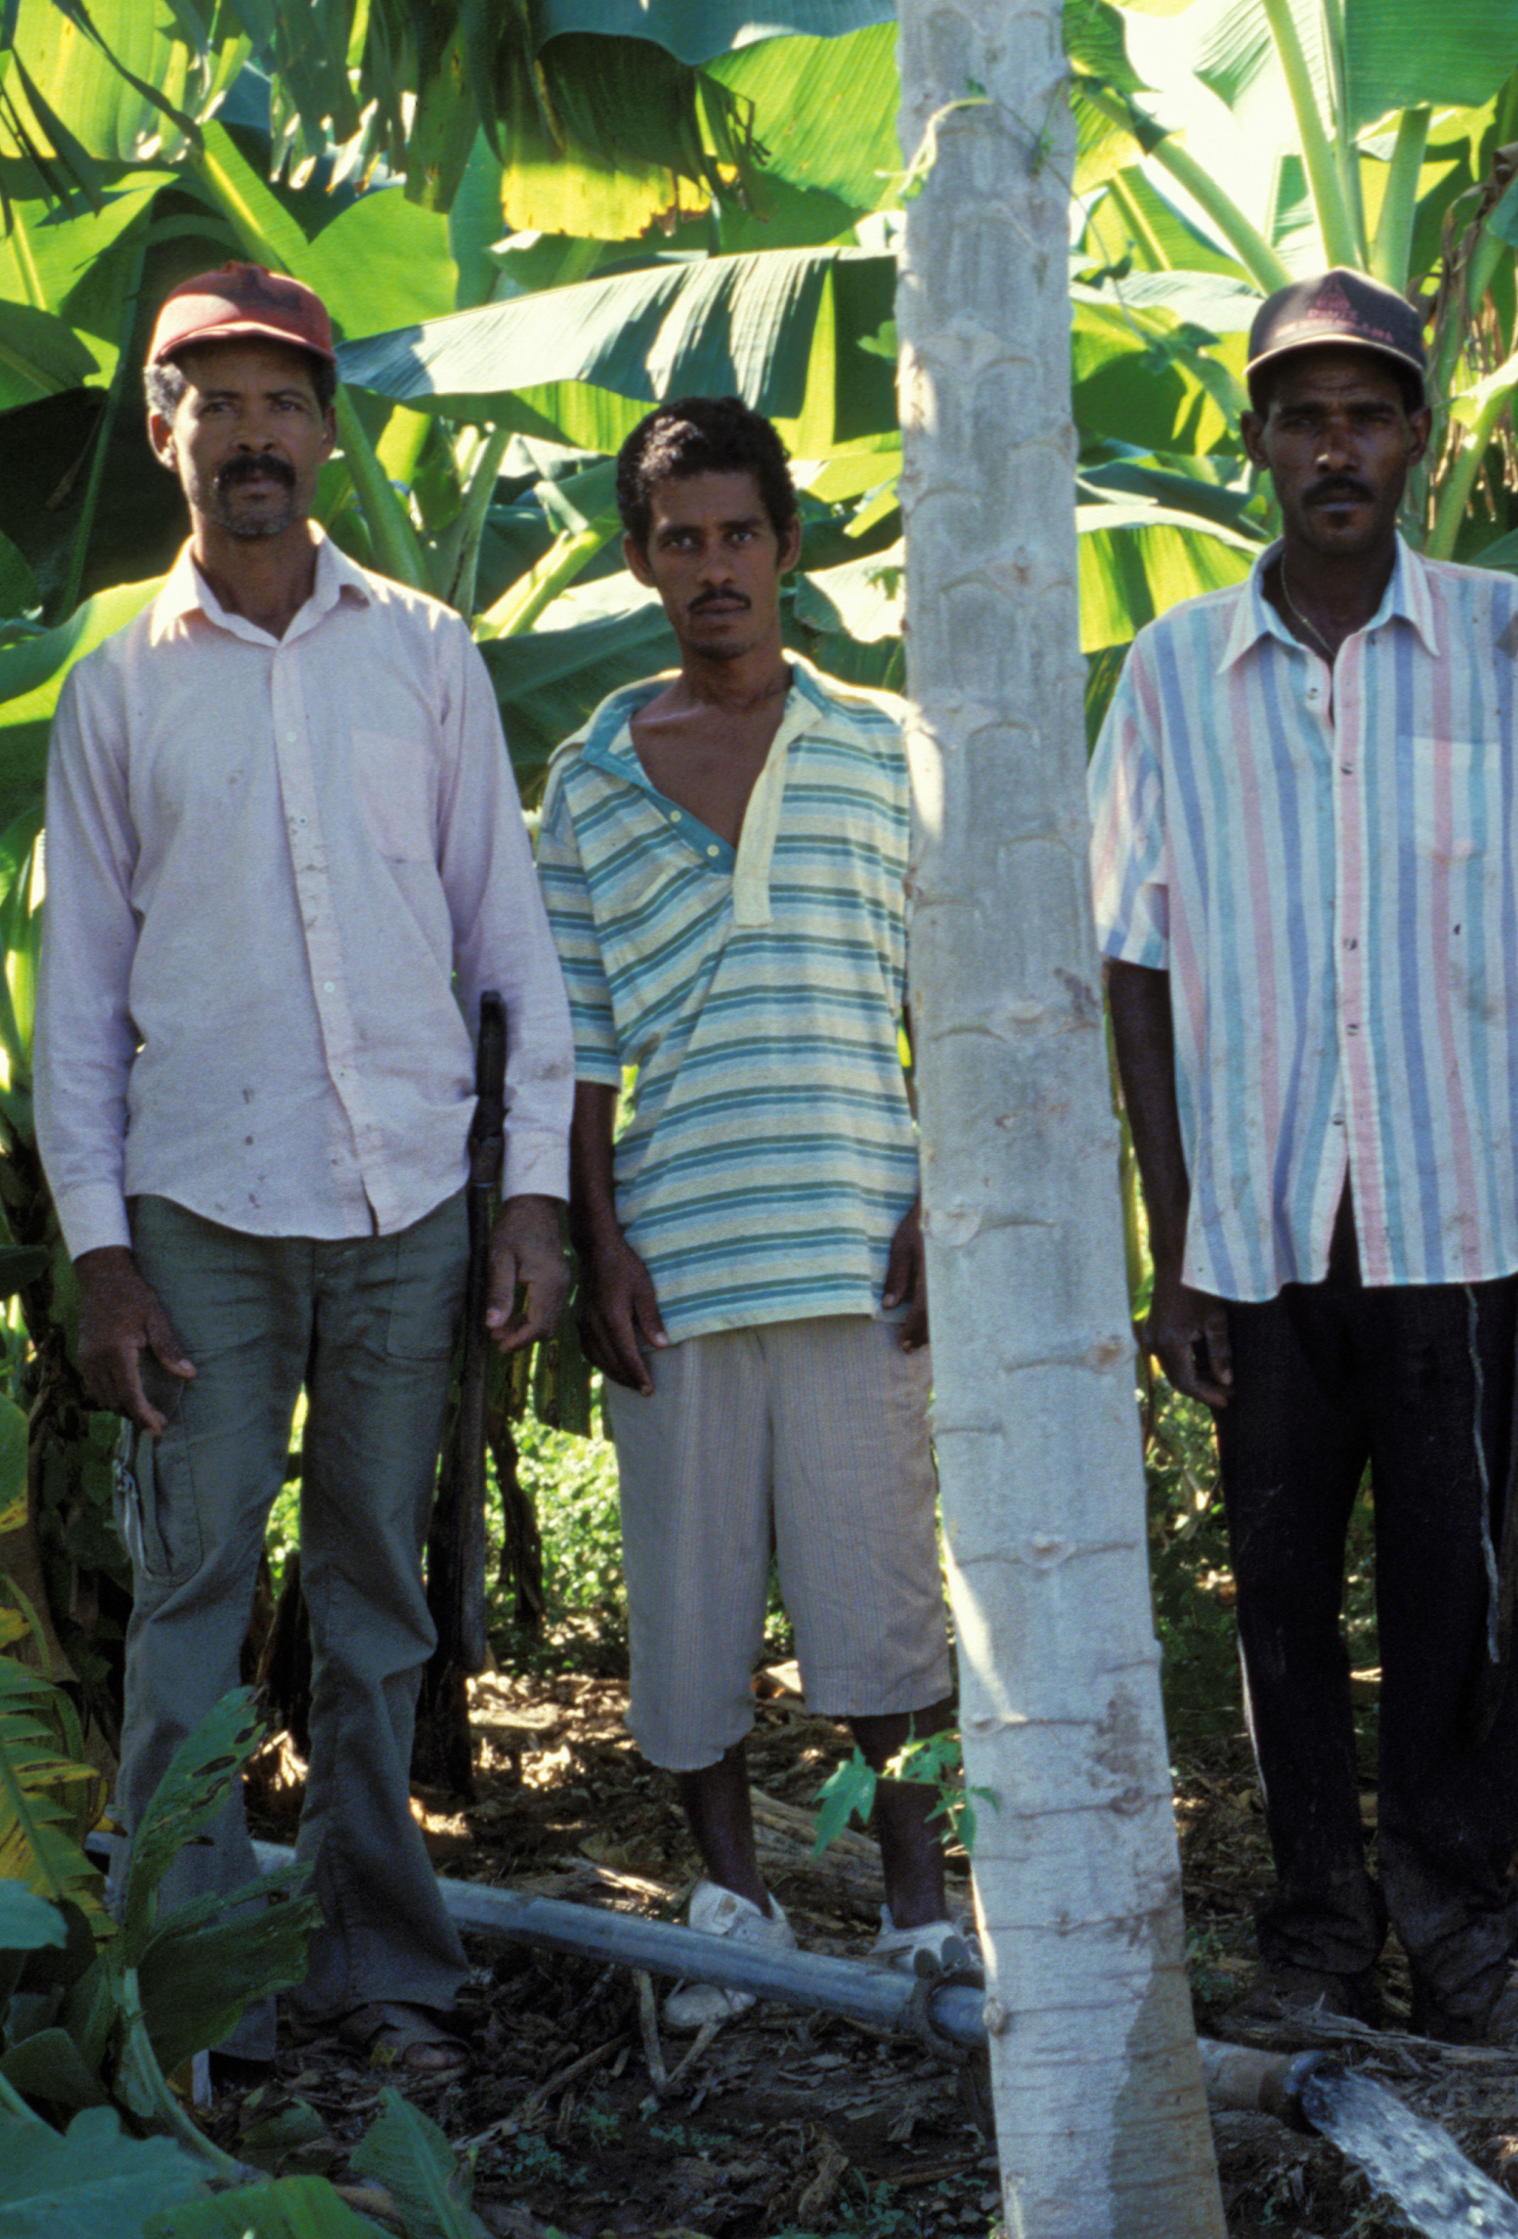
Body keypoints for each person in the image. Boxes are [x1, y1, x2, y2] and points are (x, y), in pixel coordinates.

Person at [1089, 269, 1518, 2046]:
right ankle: (1316, 1939)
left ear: (1417, 437)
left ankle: (1458, 1934)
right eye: (1300, 415)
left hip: (1462, 1203)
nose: (1334, 447)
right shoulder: (1178, 672)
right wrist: (1173, 1241)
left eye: (1367, 414)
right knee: (1276, 1597)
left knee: (1454, 1599)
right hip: (1258, 1224)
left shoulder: (1505, 640)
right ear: (1255, 440)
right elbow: (1135, 963)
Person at [37, 264, 577, 2078]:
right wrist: (98, 1252)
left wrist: (528, 1197)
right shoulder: (117, 689)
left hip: (409, 1197)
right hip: (195, 1211)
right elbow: (80, 999)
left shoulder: (422, 653)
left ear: (327, 431)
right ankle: (196, 1998)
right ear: (162, 426)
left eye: (284, 401)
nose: (253, 434)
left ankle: (386, 1974)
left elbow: (509, 939)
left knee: (373, 1592)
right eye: (217, 397)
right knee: (192, 1596)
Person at [534, 398, 966, 2027]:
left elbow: (948, 993)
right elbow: (573, 1044)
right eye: (677, 539)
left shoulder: (884, 747)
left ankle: (920, 1906)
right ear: (639, 562)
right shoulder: (585, 780)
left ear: (788, 546)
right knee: (691, 1601)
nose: (711, 567)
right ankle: (735, 1900)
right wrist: (597, 1244)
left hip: (860, 1235)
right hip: (685, 1249)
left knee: (883, 1595)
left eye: (736, 534)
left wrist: (944, 1193)